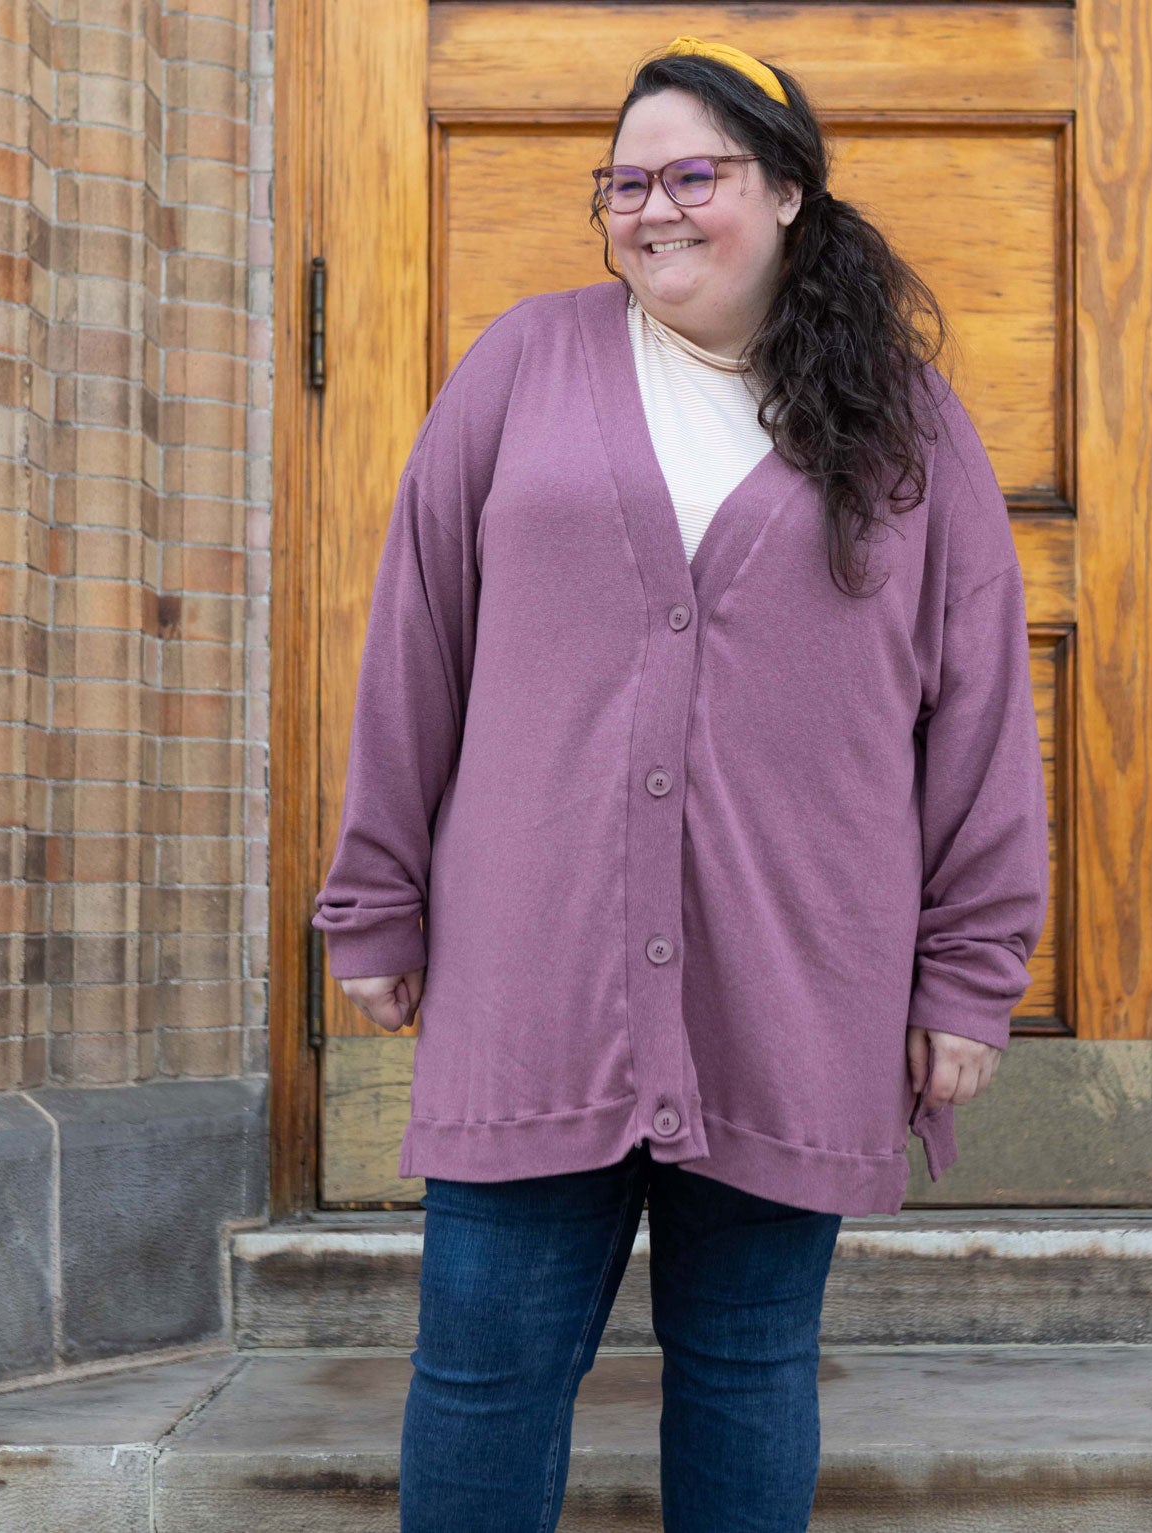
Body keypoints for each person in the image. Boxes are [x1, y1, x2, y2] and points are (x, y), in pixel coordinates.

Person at [312, 33, 1049, 1533]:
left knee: (747, 1363)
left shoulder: (905, 422)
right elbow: (417, 639)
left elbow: (977, 704)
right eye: (624, 182)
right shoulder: (525, 362)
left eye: (691, 175)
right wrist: (375, 894)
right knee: (482, 1372)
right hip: (538, 968)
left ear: (784, 191)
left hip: (795, 974)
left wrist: (969, 973)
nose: (652, 209)